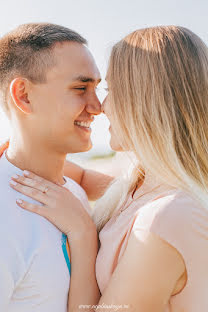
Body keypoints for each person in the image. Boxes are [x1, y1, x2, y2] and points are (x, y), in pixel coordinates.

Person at [9, 25, 208, 311]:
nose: (102, 106)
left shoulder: (169, 216)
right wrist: (17, 149)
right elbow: (81, 176)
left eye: (112, 90)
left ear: (147, 100)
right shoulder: (144, 179)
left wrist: (83, 234)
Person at [0, 22, 112, 312]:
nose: (97, 106)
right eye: (80, 88)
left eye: (97, 88)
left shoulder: (72, 192)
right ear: (24, 95)